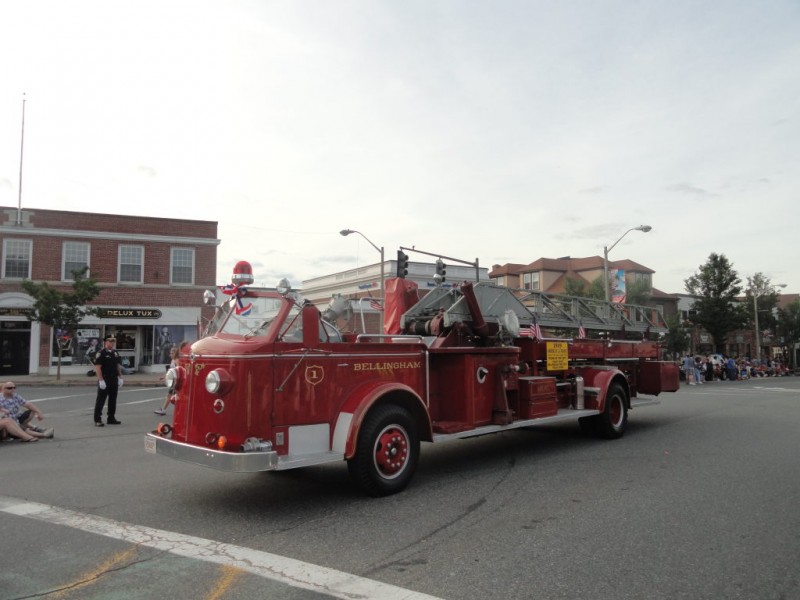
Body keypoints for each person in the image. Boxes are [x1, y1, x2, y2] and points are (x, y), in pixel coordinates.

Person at [93, 335, 124, 426]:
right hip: (105, 378)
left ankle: (111, 418)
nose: (112, 343)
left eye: (113, 341)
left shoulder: (115, 353)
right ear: (105, 342)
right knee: (101, 400)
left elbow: (117, 366)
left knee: (113, 399)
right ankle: (97, 419)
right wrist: (101, 380)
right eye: (110, 341)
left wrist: (120, 377)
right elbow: (98, 367)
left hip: (114, 378)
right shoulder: (101, 353)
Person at [154, 346, 179, 415]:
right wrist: (164, 376)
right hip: (174, 381)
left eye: (171, 353)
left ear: (175, 353)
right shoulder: (173, 361)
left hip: (175, 381)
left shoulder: (177, 360)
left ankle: (164, 410)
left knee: (172, 396)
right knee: (171, 396)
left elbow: (179, 371)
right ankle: (164, 409)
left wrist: (176, 381)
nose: (170, 355)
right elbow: (170, 371)